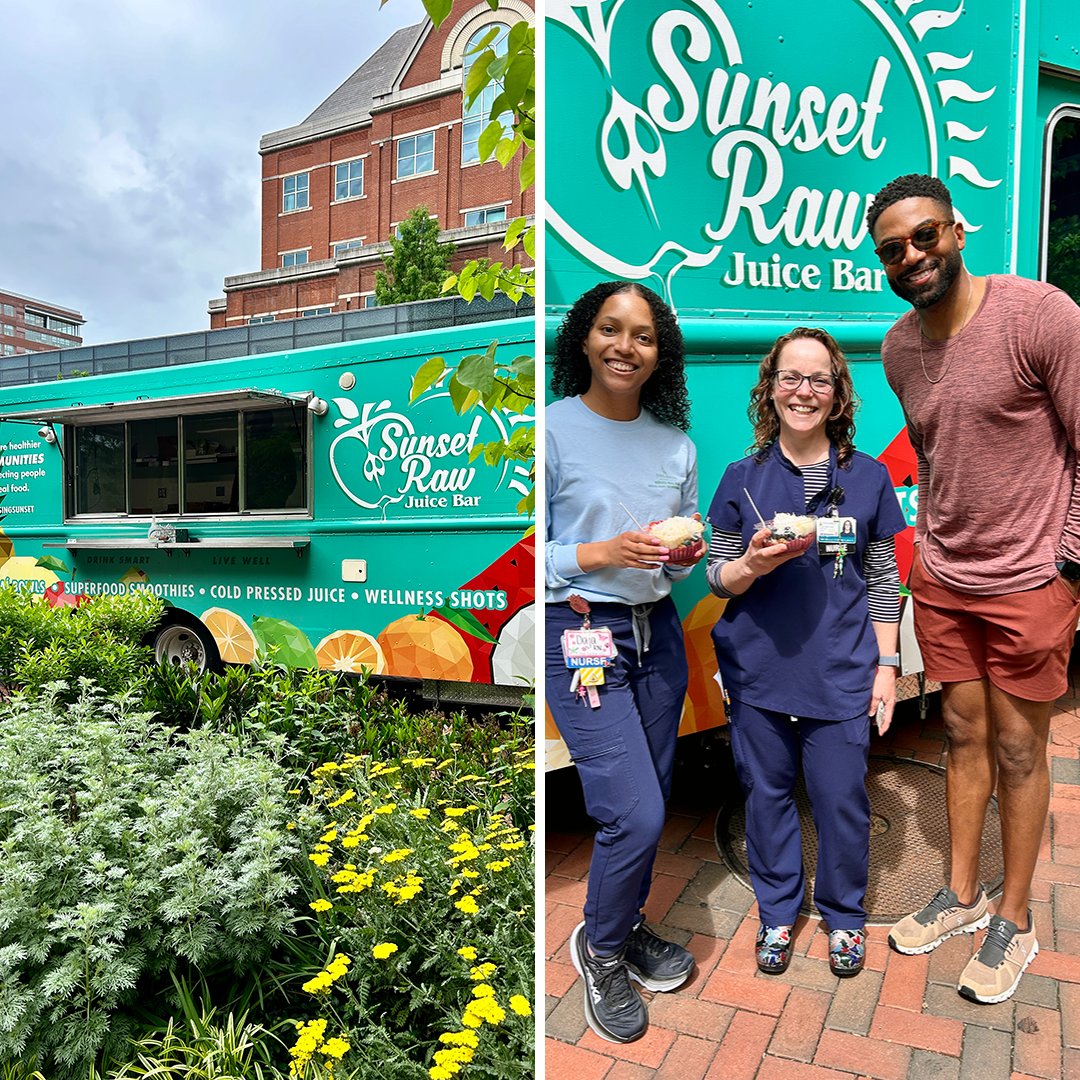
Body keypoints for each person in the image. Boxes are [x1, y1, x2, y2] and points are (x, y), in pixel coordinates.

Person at [867, 173, 1080, 1004]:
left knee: (1022, 748)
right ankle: (961, 893)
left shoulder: (1041, 316)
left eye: (924, 236)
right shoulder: (896, 349)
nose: (911, 256)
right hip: (945, 581)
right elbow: (937, 452)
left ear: (956, 231)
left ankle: (1015, 919)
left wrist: (1069, 565)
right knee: (959, 734)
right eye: (893, 249)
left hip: (1032, 581)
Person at [705, 327, 905, 978]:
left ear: (838, 393)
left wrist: (887, 664)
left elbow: (881, 580)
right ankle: (777, 911)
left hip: (841, 671)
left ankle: (844, 917)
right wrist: (751, 565)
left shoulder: (868, 479)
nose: (804, 391)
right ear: (770, 387)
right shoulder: (743, 479)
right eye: (791, 376)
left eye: (819, 379)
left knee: (842, 799)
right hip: (758, 670)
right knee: (766, 796)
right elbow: (715, 575)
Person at [545, 280, 705, 1043]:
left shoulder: (675, 446)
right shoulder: (548, 431)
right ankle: (600, 949)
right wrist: (598, 552)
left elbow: (675, 565)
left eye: (642, 336)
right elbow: (522, 557)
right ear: (584, 338)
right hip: (581, 635)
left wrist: (681, 555)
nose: (625, 346)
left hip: (657, 636)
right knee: (632, 812)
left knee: (655, 797)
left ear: (658, 353)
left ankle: (625, 922)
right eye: (610, 329)